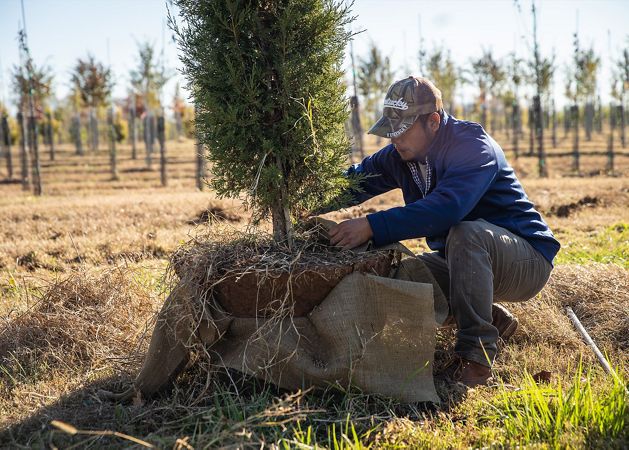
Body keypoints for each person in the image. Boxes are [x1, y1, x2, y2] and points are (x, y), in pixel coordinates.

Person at [326, 76, 560, 387]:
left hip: (526, 261)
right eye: (390, 132)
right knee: (401, 272)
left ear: (433, 121)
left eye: (402, 131)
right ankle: (490, 319)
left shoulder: (472, 147)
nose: (394, 140)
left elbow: (446, 209)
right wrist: (303, 196)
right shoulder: (401, 155)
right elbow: (356, 181)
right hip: (463, 259)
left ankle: (476, 358)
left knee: (466, 233)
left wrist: (371, 225)